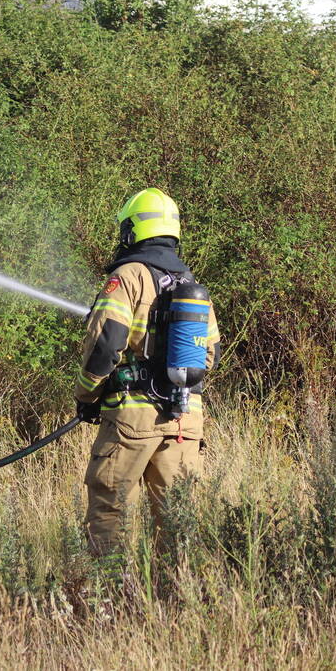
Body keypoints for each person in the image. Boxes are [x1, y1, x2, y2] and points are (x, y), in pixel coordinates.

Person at [75, 187, 220, 559]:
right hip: (185, 418)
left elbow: (106, 344)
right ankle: (177, 597)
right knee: (178, 517)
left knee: (110, 508)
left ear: (131, 231)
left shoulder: (128, 276)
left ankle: (107, 597)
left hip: (132, 419)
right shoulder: (192, 285)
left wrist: (86, 395)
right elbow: (211, 353)